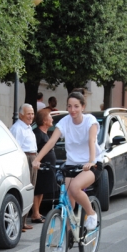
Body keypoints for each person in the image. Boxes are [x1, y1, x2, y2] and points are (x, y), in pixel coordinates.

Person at [32, 91, 103, 231]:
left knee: (74, 188)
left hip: (92, 164)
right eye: (69, 106)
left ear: (83, 107)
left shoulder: (90, 120)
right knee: (68, 196)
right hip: (71, 164)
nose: (72, 110)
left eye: (76, 106)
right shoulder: (65, 121)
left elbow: (91, 140)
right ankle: (69, 231)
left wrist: (90, 161)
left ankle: (91, 213)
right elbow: (52, 141)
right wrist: (37, 160)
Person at [10, 103, 38, 232]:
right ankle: (19, 222)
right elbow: (16, 148)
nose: (31, 116)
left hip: (32, 158)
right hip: (25, 158)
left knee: (31, 188)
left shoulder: (28, 127)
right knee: (25, 188)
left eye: (32, 114)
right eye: (28, 114)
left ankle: (23, 221)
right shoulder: (17, 128)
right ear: (21, 115)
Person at [30, 107, 57, 223]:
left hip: (47, 168)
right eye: (50, 117)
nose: (52, 120)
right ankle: (35, 213)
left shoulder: (45, 133)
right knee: (38, 190)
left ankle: (38, 212)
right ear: (45, 121)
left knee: (42, 190)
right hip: (41, 167)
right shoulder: (37, 134)